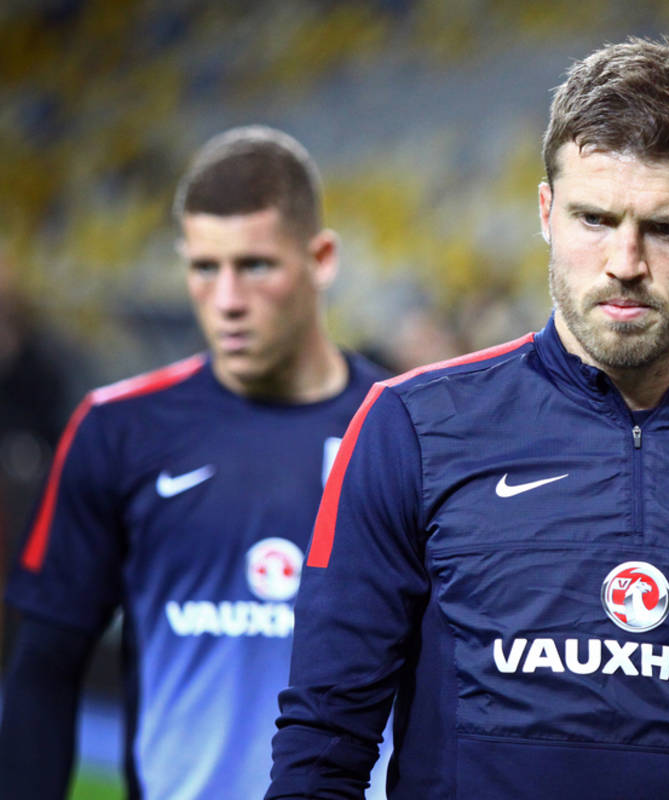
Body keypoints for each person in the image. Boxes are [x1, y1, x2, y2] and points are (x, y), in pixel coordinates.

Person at [268, 36, 669, 799]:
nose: (625, 262)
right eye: (595, 219)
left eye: (667, 229)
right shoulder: (410, 427)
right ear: (546, 213)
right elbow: (323, 744)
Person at [0, 125, 388, 800]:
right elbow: (44, 668)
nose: (227, 300)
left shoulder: (405, 429)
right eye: (204, 268)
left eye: (255, 266)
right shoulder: (117, 429)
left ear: (321, 258)